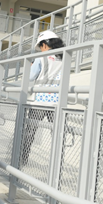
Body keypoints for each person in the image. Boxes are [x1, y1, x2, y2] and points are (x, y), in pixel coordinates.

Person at [21, 30, 66, 167]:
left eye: (41, 46)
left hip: (40, 100)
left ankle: (22, 160)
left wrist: (30, 66)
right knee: (58, 134)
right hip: (57, 102)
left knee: (30, 132)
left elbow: (30, 77)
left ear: (45, 44)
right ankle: (57, 164)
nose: (41, 49)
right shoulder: (64, 57)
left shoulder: (41, 57)